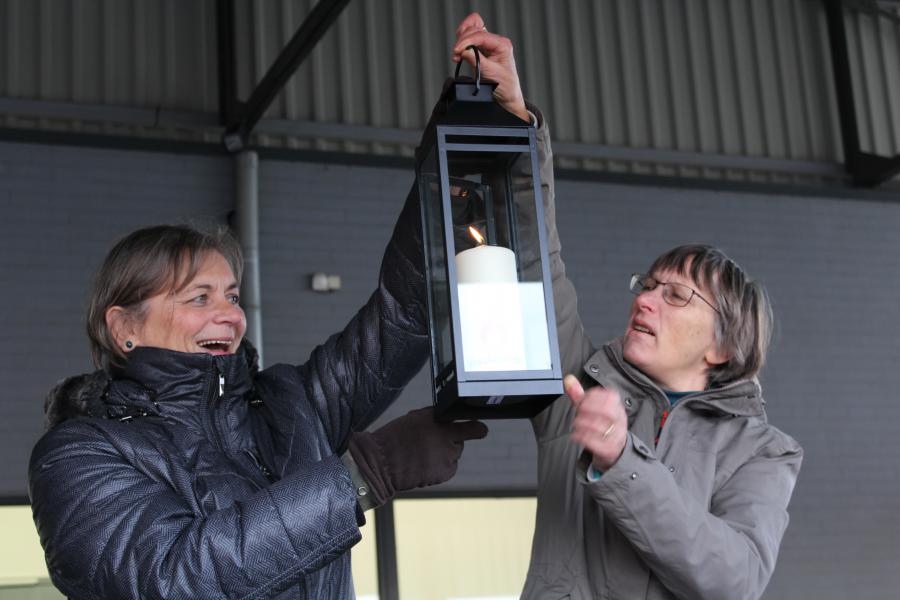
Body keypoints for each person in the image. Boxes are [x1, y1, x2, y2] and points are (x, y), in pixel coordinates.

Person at [27, 15, 520, 599]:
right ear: (123, 327)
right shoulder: (80, 453)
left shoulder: (291, 405)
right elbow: (175, 578)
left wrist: (456, 149)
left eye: (232, 296)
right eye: (199, 297)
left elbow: (401, 316)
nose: (230, 314)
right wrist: (363, 477)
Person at [453, 16, 802, 600]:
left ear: (723, 346)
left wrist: (622, 461)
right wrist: (514, 119)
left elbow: (733, 578)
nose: (644, 299)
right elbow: (538, 260)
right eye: (648, 284)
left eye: (675, 295)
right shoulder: (576, 390)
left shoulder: (762, 450)